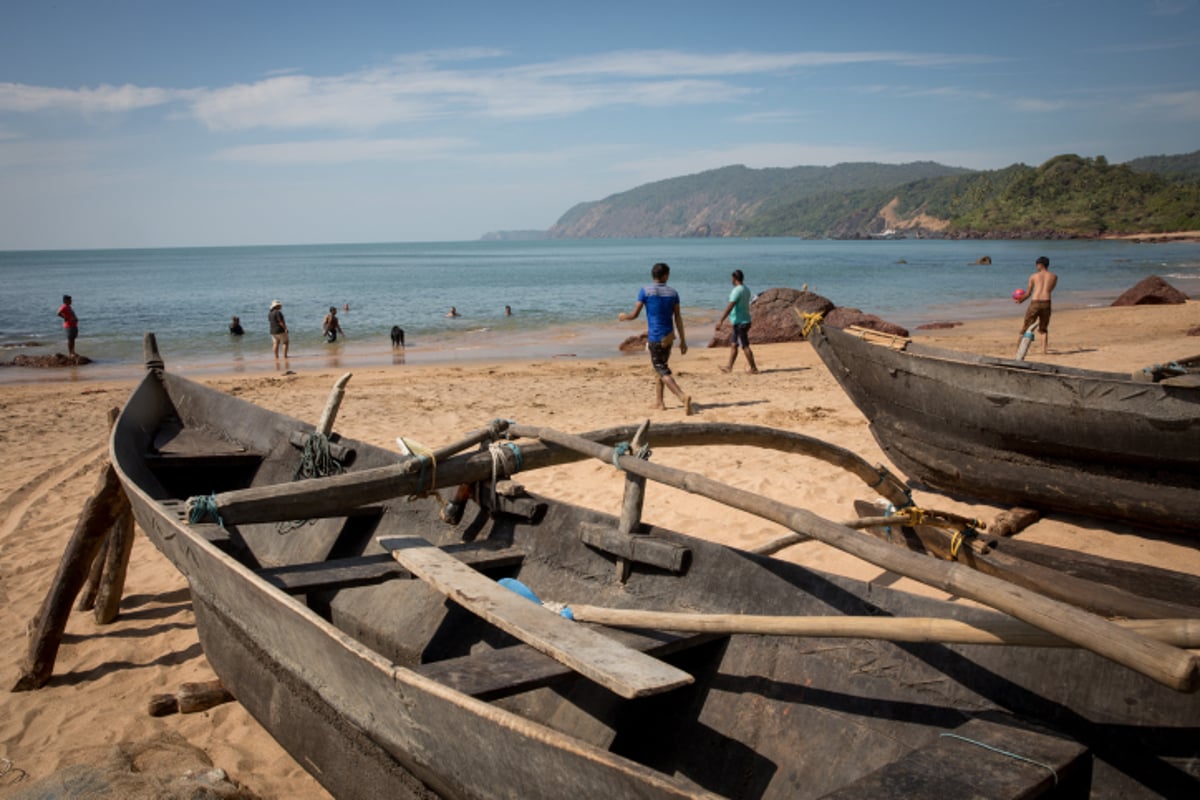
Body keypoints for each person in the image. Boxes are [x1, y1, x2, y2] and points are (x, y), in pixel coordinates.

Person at [618, 262, 694, 414]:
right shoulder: (673, 293)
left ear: (653, 275)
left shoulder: (645, 291)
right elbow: (678, 318)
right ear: (665, 276)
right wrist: (683, 340)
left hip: (656, 337)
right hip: (669, 336)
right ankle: (660, 402)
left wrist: (623, 317)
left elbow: (634, 315)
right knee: (659, 368)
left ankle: (682, 396)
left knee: (661, 369)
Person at [715, 269, 759, 374]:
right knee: (734, 344)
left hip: (740, 322)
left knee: (744, 345)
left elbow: (730, 306)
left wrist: (721, 320)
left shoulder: (736, 291)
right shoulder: (746, 289)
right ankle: (729, 367)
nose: (731, 280)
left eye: (732, 278)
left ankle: (753, 368)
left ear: (734, 278)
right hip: (743, 320)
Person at [1014, 256, 1057, 354]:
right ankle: (1044, 350)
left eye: (1037, 265)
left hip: (1035, 302)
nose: (1036, 266)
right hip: (1046, 302)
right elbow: (1050, 290)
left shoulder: (1033, 276)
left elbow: (1028, 293)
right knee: (1043, 328)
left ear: (1040, 265)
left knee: (1026, 326)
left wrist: (1020, 300)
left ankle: (1018, 349)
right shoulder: (1054, 276)